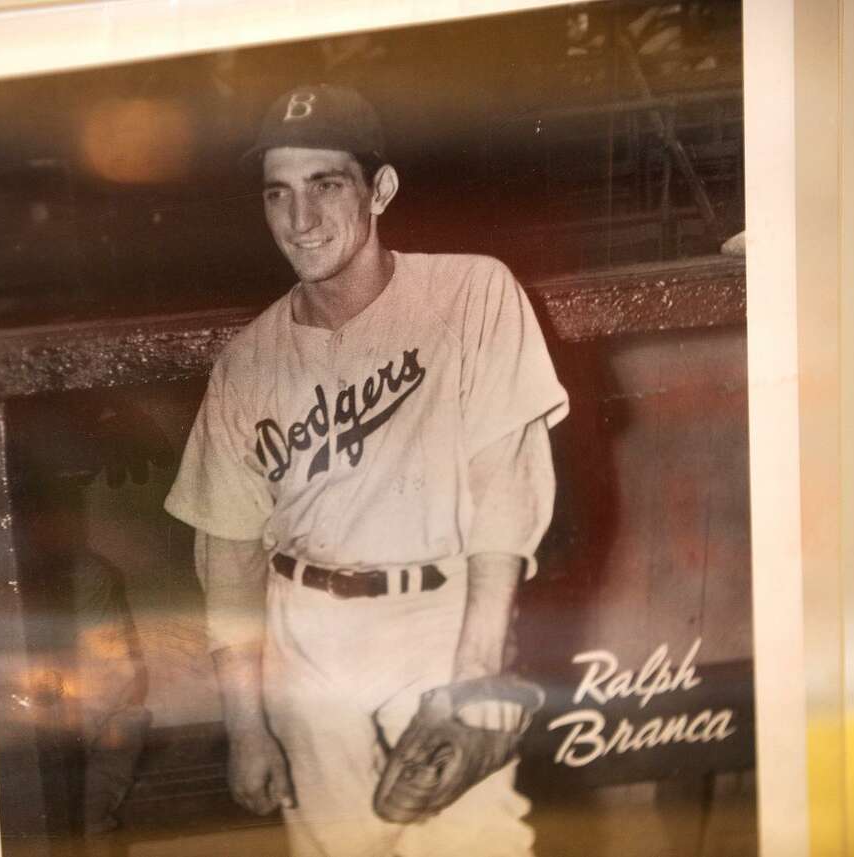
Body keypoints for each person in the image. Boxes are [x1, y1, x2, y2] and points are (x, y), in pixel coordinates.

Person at [165, 83, 569, 857]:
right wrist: (246, 727)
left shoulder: (472, 291)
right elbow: (228, 557)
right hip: (306, 633)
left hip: (438, 614)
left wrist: (476, 673)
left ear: (380, 189)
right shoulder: (246, 362)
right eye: (278, 194)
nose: (301, 219)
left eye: (326, 185)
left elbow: (505, 494)